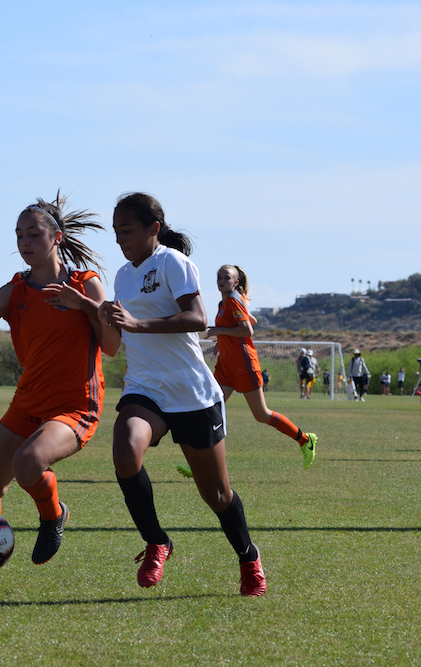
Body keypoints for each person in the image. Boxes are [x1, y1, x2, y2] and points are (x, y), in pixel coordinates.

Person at [97, 192, 266, 597]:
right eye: (117, 232)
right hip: (145, 389)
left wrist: (136, 324)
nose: (121, 240)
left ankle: (248, 556)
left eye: (129, 231)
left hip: (192, 393)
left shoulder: (173, 262)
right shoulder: (122, 275)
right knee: (125, 450)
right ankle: (157, 540)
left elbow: (197, 318)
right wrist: (96, 313)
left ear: (154, 229)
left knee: (218, 495)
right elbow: (116, 341)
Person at [0, 193, 106, 589]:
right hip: (27, 403)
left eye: (33, 234)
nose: (24, 242)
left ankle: (54, 516)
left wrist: (83, 305)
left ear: (57, 237)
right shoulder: (16, 289)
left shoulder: (84, 282)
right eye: (19, 235)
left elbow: (114, 343)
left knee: (28, 462)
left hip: (75, 406)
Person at [198, 264, 316, 471]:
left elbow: (247, 329)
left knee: (261, 414)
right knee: (211, 408)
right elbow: (250, 319)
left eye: (226, 277)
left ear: (236, 282)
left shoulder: (233, 299)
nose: (221, 280)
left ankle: (305, 440)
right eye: (219, 277)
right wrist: (222, 339)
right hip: (226, 365)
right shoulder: (226, 301)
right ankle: (204, 464)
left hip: (244, 364)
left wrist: (219, 331)